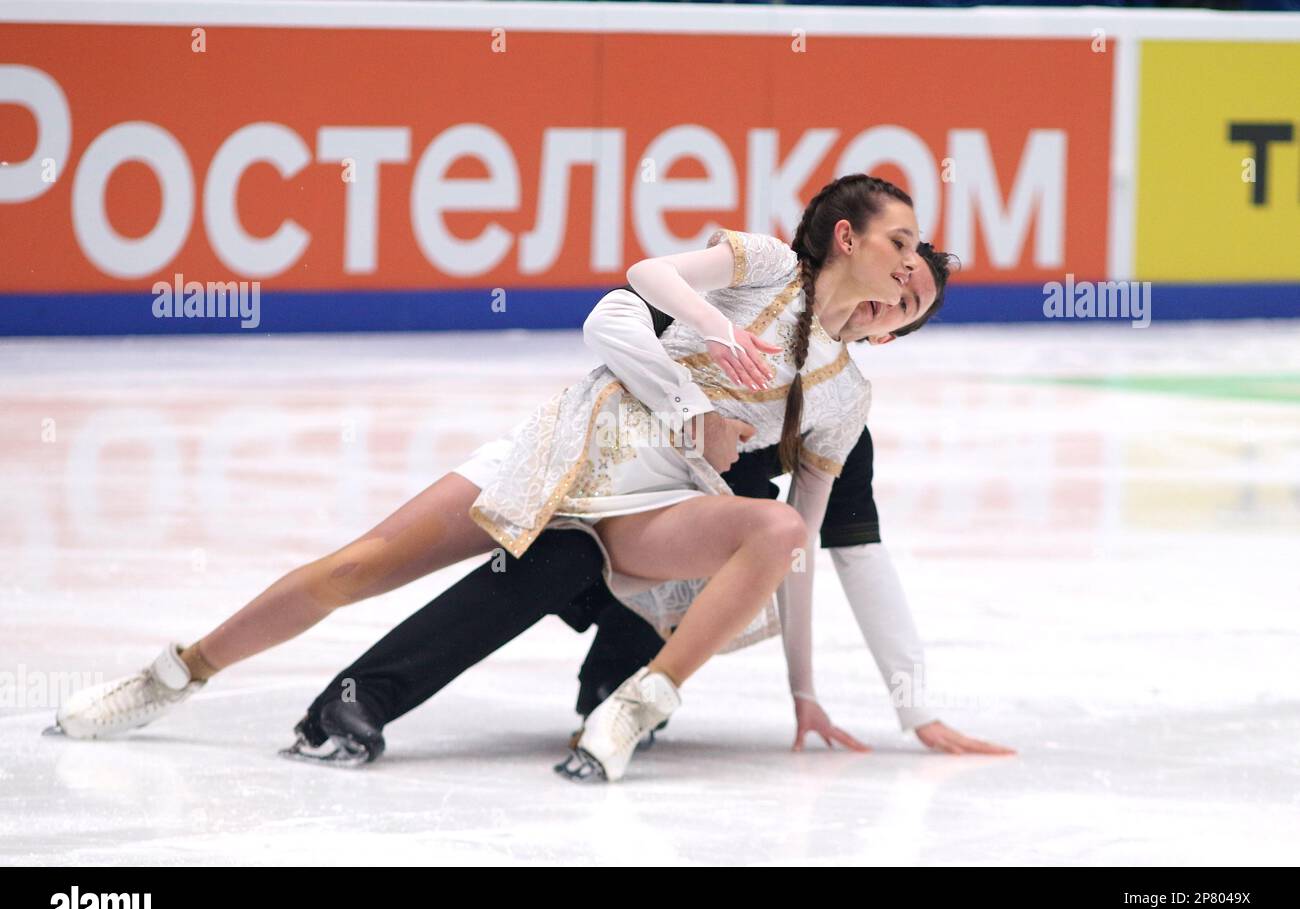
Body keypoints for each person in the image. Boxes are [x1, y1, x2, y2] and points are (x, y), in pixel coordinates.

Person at [54, 174, 924, 782]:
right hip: (569, 438)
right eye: (901, 248)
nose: (906, 274)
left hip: (656, 498)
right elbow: (632, 291)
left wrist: (803, 694)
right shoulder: (768, 267)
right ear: (847, 239)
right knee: (360, 566)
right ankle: (176, 673)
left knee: (772, 531)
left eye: (916, 288)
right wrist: (697, 368)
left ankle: (631, 706)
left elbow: (809, 550)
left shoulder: (845, 395)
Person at [287, 243, 1010, 766]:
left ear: (890, 333)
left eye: (905, 301)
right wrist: (687, 402)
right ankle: (362, 699)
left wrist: (912, 709)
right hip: (600, 482)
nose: (888, 291)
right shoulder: (747, 296)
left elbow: (847, 552)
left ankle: (615, 685)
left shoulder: (838, 408)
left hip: (678, 552)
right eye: (892, 272)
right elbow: (616, 320)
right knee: (552, 561)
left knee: (721, 545)